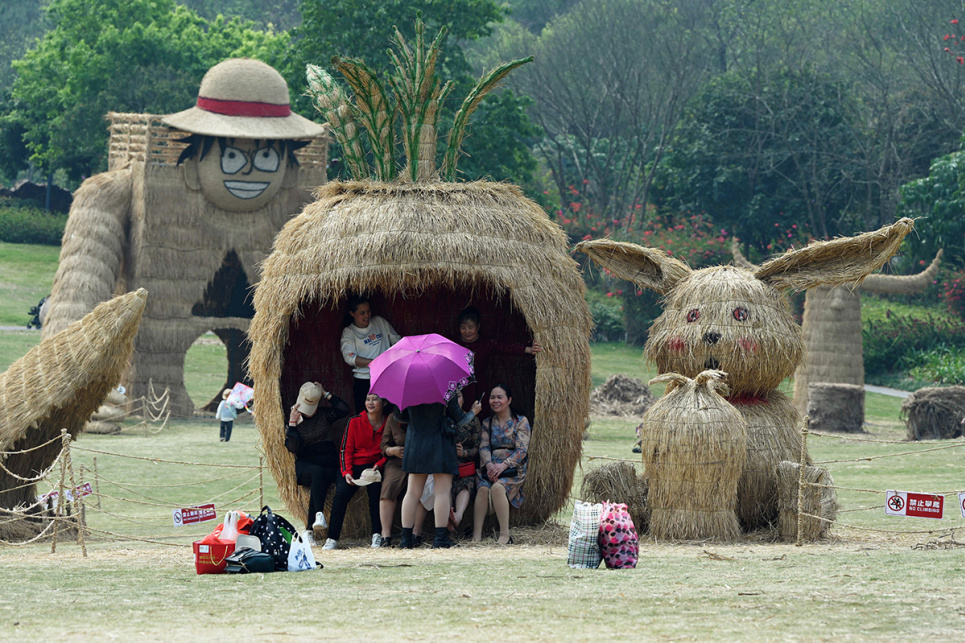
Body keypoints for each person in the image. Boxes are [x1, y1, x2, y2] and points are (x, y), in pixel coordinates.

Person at [398, 394, 482, 549]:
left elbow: (400, 417)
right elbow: (460, 419)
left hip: (415, 442)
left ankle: (405, 540)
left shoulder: (408, 387)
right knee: (442, 492)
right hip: (440, 443)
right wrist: (473, 412)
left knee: (412, 492)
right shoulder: (445, 386)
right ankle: (440, 539)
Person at [286, 381, 350, 546]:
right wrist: (292, 424)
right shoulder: (295, 417)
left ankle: (308, 531)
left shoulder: (323, 414)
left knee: (320, 477)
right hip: (307, 464)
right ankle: (319, 514)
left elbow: (344, 409)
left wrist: (325, 393)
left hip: (328, 461)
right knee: (317, 473)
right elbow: (293, 448)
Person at [323, 394, 389, 550]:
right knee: (341, 494)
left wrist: (379, 465)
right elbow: (345, 449)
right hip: (353, 466)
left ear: (384, 402)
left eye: (375, 399)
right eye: (367, 399)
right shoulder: (354, 421)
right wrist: (347, 472)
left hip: (374, 467)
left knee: (376, 494)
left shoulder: (388, 422)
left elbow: (388, 451)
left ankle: (377, 535)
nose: (370, 402)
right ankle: (332, 538)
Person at [473, 384, 531, 545]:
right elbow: (484, 446)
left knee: (498, 488)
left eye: (500, 397)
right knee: (483, 489)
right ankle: (476, 536)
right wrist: (490, 465)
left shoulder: (520, 421)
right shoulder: (487, 423)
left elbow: (522, 450)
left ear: (509, 400)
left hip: (512, 469)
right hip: (490, 467)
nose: (495, 400)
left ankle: (504, 535)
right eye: (492, 397)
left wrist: (503, 465)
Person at [453, 307, 540, 410]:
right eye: (463, 328)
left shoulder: (486, 344)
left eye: (470, 327)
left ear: (478, 326)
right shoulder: (454, 344)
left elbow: (506, 348)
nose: (467, 331)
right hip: (459, 387)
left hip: (480, 385)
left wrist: (529, 349)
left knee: (481, 412)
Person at [340, 296, 401, 414]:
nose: (367, 316)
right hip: (364, 380)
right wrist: (374, 362)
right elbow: (349, 357)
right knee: (365, 418)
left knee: (389, 415)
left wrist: (394, 355)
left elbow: (396, 340)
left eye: (368, 311)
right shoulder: (349, 332)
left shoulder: (379, 321)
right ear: (352, 313)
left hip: (386, 377)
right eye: (362, 313)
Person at [450, 390, 481, 535]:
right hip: (445, 464)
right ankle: (448, 525)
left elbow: (478, 447)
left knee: (466, 482)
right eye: (452, 396)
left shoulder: (472, 420)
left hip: (464, 465)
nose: (455, 399)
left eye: (459, 396)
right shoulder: (443, 418)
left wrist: (465, 453)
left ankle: (458, 515)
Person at [378, 410, 408, 547]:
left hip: (419, 462)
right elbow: (384, 445)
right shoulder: (392, 417)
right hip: (396, 462)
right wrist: (392, 450)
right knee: (388, 487)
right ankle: (386, 535)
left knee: (423, 489)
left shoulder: (422, 414)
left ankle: (416, 534)